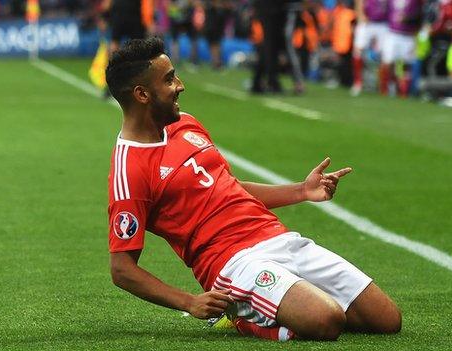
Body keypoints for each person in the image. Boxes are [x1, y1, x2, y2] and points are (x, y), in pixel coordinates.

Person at [104, 37, 402, 341]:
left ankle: (276, 302)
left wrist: (301, 191)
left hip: (275, 236)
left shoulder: (186, 124)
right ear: (142, 94)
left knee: (387, 319)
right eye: (169, 79)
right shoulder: (130, 170)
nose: (180, 84)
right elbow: (122, 269)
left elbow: (229, 188)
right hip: (231, 262)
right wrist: (189, 302)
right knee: (326, 320)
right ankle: (237, 314)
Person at [350, 0, 390, 96]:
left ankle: (384, 87)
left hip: (383, 23)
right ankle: (358, 83)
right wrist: (360, 15)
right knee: (358, 51)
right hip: (367, 21)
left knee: (386, 56)